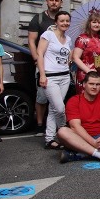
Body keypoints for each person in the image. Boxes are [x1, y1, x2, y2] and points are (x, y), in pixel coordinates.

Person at [58, 71, 100, 163]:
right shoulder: (74, 100)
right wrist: (93, 143)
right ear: (84, 84)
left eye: (97, 84)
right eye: (91, 84)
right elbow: (75, 126)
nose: (94, 87)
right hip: (80, 138)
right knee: (62, 132)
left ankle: (81, 154)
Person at [28, 0, 63, 136]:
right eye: (51, 0)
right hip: (43, 65)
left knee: (57, 97)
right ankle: (40, 124)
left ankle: (55, 124)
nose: (54, 2)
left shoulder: (63, 19)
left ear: (61, 3)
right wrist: (36, 59)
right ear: (47, 2)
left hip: (59, 65)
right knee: (42, 96)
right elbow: (31, 40)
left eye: (57, 0)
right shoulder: (39, 19)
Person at [37, 10, 72, 149]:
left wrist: (68, 63)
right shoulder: (48, 35)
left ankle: (50, 139)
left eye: (67, 21)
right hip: (50, 76)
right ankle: (64, 133)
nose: (65, 23)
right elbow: (40, 54)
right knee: (60, 108)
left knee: (53, 109)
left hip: (64, 76)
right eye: (62, 20)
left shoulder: (68, 39)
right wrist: (42, 74)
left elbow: (66, 57)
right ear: (56, 22)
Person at [72, 12, 100, 93]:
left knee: (98, 101)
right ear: (89, 23)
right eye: (94, 22)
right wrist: (89, 71)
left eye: (99, 22)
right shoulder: (82, 38)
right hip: (85, 74)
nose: (97, 25)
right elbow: (75, 58)